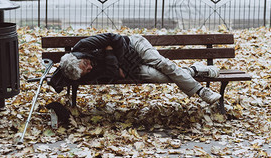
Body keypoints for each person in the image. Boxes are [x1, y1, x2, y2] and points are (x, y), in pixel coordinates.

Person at [51, 33, 222, 105]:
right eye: (86, 70)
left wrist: (114, 61)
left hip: (135, 45)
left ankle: (201, 92)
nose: (90, 67)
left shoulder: (84, 45)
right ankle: (195, 69)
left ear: (79, 57)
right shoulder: (82, 73)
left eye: (86, 64)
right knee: (162, 77)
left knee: (164, 65)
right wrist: (110, 54)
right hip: (132, 68)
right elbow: (110, 72)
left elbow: (116, 38)